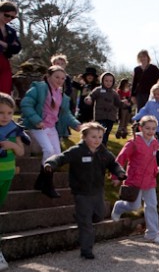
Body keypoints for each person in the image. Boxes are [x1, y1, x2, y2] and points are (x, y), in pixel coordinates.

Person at [44, 122, 127, 259]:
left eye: (100, 137)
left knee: (100, 215)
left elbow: (113, 164)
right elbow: (61, 157)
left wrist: (120, 173)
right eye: (93, 137)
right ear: (84, 137)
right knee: (86, 224)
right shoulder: (77, 151)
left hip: (97, 191)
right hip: (81, 192)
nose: (97, 140)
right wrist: (51, 163)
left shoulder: (103, 152)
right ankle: (86, 250)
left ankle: (81, 216)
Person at [21, 65, 81, 198]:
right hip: (37, 126)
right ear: (48, 77)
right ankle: (48, 185)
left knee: (57, 155)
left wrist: (76, 124)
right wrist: (36, 120)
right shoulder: (39, 88)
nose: (60, 80)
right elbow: (26, 104)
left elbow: (66, 114)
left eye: (63, 78)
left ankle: (40, 182)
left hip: (51, 127)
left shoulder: (61, 95)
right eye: (57, 77)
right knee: (48, 150)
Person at [111, 115, 159, 242]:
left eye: (153, 129)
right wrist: (116, 175)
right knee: (134, 206)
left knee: (152, 205)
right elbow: (120, 158)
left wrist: (156, 170)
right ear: (141, 127)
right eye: (147, 128)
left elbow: (153, 160)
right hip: (135, 179)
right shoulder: (133, 142)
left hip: (150, 180)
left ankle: (153, 234)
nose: (150, 131)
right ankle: (119, 207)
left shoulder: (155, 142)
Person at [132, 83, 159, 168]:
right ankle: (149, 159)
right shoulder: (150, 103)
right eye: (154, 94)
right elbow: (143, 111)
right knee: (150, 143)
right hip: (151, 128)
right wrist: (136, 117)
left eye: (158, 94)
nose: (156, 96)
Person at [0, 92, 29, 208]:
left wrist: (12, 145)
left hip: (8, 174)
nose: (5, 116)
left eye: (9, 113)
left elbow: (21, 152)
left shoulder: (14, 131)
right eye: (1, 113)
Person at [85, 71, 121, 146]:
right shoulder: (98, 90)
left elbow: (118, 103)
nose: (108, 83)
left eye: (110, 81)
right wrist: (88, 99)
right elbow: (91, 96)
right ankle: (99, 145)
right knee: (100, 131)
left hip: (111, 116)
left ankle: (103, 145)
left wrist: (124, 104)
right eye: (106, 80)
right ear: (102, 81)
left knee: (107, 132)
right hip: (100, 115)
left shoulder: (114, 93)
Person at [0, 0, 21, 95]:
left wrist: (4, 45)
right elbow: (12, 46)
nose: (9, 18)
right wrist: (9, 45)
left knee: (5, 93)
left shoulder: (11, 31)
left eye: (12, 17)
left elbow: (17, 48)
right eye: (7, 15)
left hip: (5, 63)